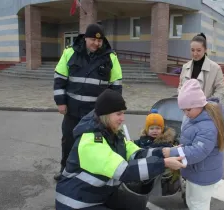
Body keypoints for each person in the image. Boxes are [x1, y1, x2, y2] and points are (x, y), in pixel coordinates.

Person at [55, 89, 186, 210]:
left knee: (139, 205)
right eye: (118, 114)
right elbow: (124, 171)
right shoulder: (91, 141)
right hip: (77, 202)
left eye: (123, 113)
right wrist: (164, 164)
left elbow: (137, 153)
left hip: (99, 194)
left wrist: (165, 152)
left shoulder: (112, 133)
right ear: (106, 114)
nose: (123, 118)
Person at [53, 23, 123, 180]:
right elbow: (59, 79)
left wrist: (115, 110)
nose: (97, 44)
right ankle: (66, 171)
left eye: (100, 41)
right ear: (85, 38)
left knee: (95, 145)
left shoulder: (110, 57)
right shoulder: (70, 52)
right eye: (93, 40)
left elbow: (116, 86)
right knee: (69, 141)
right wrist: (60, 102)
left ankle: (90, 173)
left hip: (95, 113)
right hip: (72, 110)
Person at [162, 79, 224, 210]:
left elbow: (197, 152)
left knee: (198, 205)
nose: (185, 114)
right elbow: (191, 142)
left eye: (188, 110)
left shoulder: (207, 126)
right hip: (197, 172)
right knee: (192, 201)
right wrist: (180, 148)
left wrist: (172, 152)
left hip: (202, 175)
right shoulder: (196, 116)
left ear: (199, 104)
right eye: (183, 110)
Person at [177, 33, 224, 101]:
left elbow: (221, 90)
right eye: (192, 50)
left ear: (205, 49)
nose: (195, 53)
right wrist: (181, 96)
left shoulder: (215, 68)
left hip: (206, 108)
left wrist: (210, 103)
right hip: (187, 109)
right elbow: (180, 87)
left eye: (198, 50)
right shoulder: (185, 67)